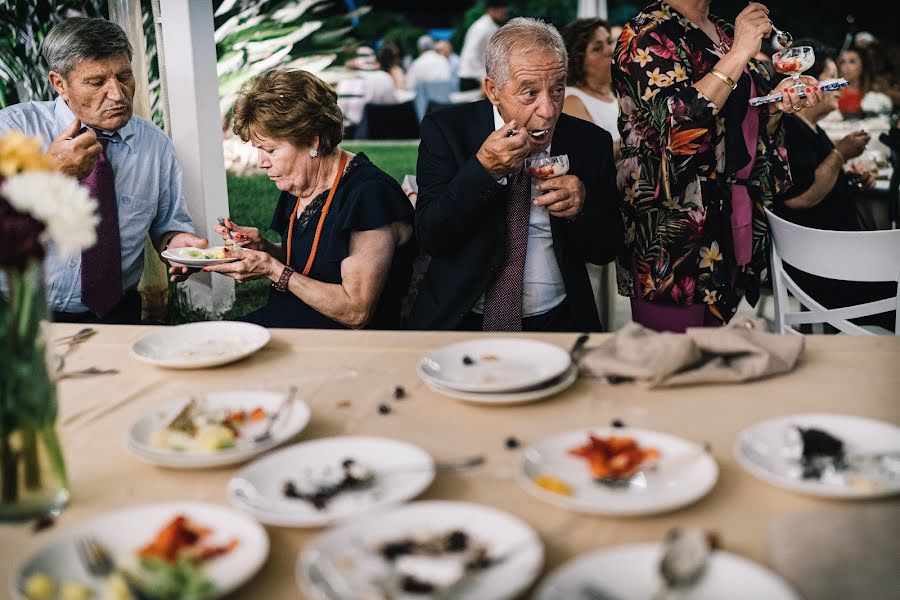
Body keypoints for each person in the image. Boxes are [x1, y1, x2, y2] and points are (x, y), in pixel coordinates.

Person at [613, 1, 823, 332]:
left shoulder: (723, 31)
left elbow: (745, 124)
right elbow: (674, 128)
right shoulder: (646, 32)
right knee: (673, 360)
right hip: (677, 231)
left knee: (716, 353)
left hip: (731, 217)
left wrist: (779, 103)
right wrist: (739, 53)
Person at [408, 18, 624, 332]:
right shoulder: (447, 131)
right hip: (462, 318)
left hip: (560, 319)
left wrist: (581, 207)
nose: (548, 110)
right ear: (493, 90)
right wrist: (483, 171)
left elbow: (605, 249)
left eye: (557, 90)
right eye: (529, 93)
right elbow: (432, 236)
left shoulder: (590, 142)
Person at [0, 17, 204, 325]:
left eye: (124, 76)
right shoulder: (12, 130)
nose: (119, 94)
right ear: (59, 84)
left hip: (116, 313)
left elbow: (167, 226)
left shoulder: (155, 146)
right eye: (97, 82)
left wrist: (178, 245)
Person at [206, 69, 415, 329]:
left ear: (313, 141)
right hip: (288, 321)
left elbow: (356, 311)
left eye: (270, 150)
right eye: (259, 150)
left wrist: (273, 269)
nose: (262, 163)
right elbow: (317, 263)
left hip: (333, 344)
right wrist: (264, 250)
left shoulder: (369, 195)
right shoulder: (299, 182)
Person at [775, 40, 895, 330]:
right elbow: (801, 199)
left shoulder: (812, 130)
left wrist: (850, 181)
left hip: (837, 262)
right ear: (807, 84)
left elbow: (822, 180)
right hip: (826, 273)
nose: (841, 86)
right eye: (832, 78)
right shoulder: (791, 130)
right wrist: (840, 153)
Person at [561, 18, 620, 157]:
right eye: (598, 48)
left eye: (609, 42)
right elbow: (589, 155)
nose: (610, 50)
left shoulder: (613, 92)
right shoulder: (572, 99)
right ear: (578, 60)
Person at [457, 0, 509, 92]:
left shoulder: (491, 26)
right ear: (491, 10)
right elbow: (471, 56)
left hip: (478, 77)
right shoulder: (482, 28)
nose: (504, 14)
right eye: (502, 11)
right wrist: (483, 78)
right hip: (472, 78)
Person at [335, 51, 396, 128]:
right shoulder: (386, 77)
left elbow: (340, 109)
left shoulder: (347, 79)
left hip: (352, 130)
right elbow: (391, 105)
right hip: (383, 128)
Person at [837, 46, 891, 117]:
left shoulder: (874, 92)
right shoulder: (834, 92)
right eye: (842, 62)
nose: (846, 67)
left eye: (852, 61)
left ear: (862, 65)